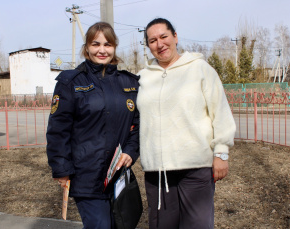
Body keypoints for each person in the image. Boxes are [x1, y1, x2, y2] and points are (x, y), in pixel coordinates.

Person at [137, 18, 236, 229]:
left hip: (195, 167)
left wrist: (221, 152)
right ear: (148, 46)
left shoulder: (200, 69)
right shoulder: (143, 78)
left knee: (198, 225)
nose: (160, 44)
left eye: (164, 37)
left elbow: (220, 112)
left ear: (175, 37)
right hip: (158, 170)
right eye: (153, 40)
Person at [46, 22, 140, 229]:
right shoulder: (70, 82)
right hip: (86, 176)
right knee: (100, 226)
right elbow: (58, 130)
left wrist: (131, 152)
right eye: (95, 44)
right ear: (87, 47)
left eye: (108, 44)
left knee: (120, 225)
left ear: (114, 47)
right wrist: (61, 169)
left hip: (118, 175)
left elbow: (137, 125)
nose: (102, 50)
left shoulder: (129, 83)